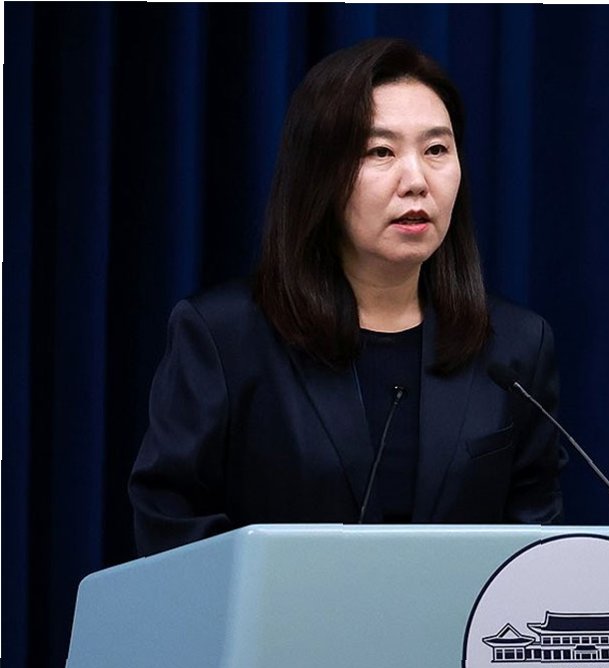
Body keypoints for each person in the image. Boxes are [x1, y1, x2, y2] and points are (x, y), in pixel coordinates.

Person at [129, 38, 565, 556]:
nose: (416, 181)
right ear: (320, 174)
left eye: (436, 150)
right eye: (380, 152)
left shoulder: (515, 346)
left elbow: (537, 551)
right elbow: (171, 527)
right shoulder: (225, 338)